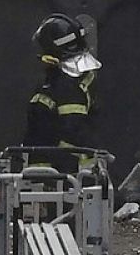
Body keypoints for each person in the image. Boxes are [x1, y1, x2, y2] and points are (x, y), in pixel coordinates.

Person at [24, 14, 100, 173]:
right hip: (62, 179)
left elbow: (72, 132)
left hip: (64, 179)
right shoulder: (71, 83)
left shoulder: (65, 87)